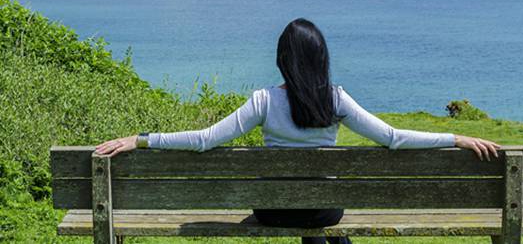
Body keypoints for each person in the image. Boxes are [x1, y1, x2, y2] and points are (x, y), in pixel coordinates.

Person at [97, 18, 500, 244]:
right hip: (325, 208)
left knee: (301, 213)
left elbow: (205, 140)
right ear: (321, 57)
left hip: (271, 210)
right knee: (320, 221)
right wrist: (456, 138)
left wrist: (141, 139)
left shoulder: (263, 101)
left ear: (282, 60)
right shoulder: (336, 99)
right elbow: (392, 138)